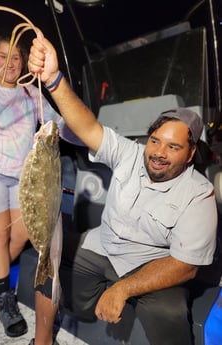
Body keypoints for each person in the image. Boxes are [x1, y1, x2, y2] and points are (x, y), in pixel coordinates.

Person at [27, 30, 218, 345]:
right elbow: (87, 126)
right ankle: (43, 341)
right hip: (102, 247)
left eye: (173, 147)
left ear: (190, 153)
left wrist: (123, 288)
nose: (158, 152)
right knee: (48, 265)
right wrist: (53, 79)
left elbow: (184, 267)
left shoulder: (199, 194)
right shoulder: (130, 153)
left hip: (150, 264)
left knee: (170, 313)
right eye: (155, 141)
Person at [0, 28, 80, 338]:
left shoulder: (31, 92)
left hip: (26, 176)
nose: (11, 63)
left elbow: (62, 125)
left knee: (23, 233)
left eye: (16, 57)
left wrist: (89, 134)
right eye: (4, 56)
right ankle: (5, 298)